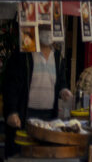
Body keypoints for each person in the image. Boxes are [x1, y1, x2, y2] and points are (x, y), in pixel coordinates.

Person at [3, 27, 72, 159]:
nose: (48, 32)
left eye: (50, 28)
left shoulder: (58, 57)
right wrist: (12, 111)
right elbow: (10, 85)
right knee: (23, 155)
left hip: (48, 117)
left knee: (43, 156)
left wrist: (64, 91)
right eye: (44, 27)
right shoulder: (23, 54)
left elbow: (62, 81)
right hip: (25, 115)